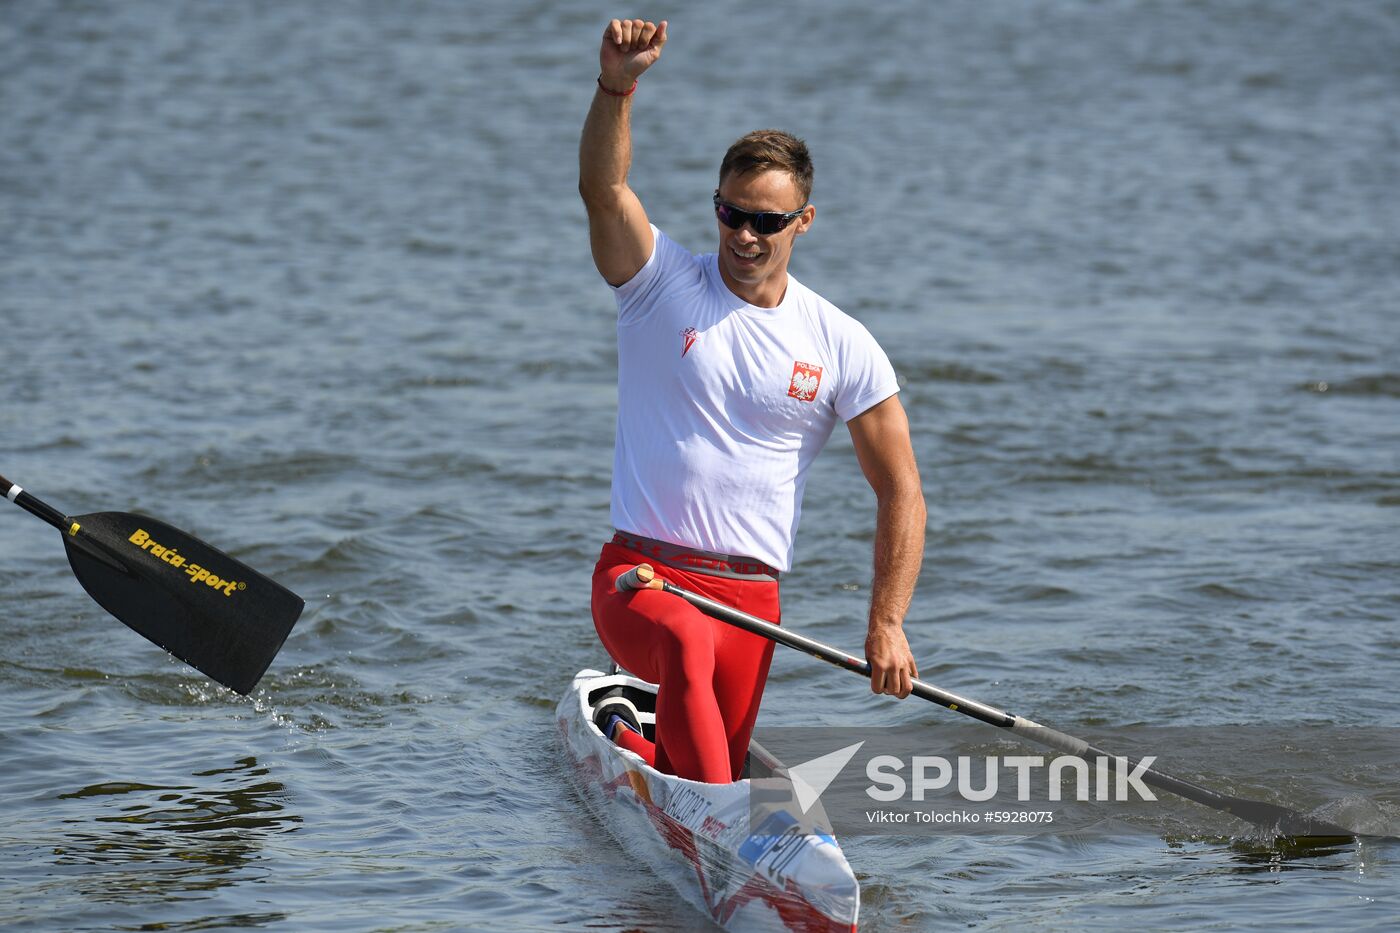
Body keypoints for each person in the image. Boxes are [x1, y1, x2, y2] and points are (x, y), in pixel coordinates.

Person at [580, 18, 926, 784]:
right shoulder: (659, 284)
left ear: (803, 221)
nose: (744, 234)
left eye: (767, 221)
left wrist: (888, 623)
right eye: (731, 213)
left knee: (699, 765)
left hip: (752, 604)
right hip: (642, 582)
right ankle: (714, 818)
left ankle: (629, 743)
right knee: (686, 654)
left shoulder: (843, 343)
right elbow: (603, 192)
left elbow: (902, 490)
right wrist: (617, 85)